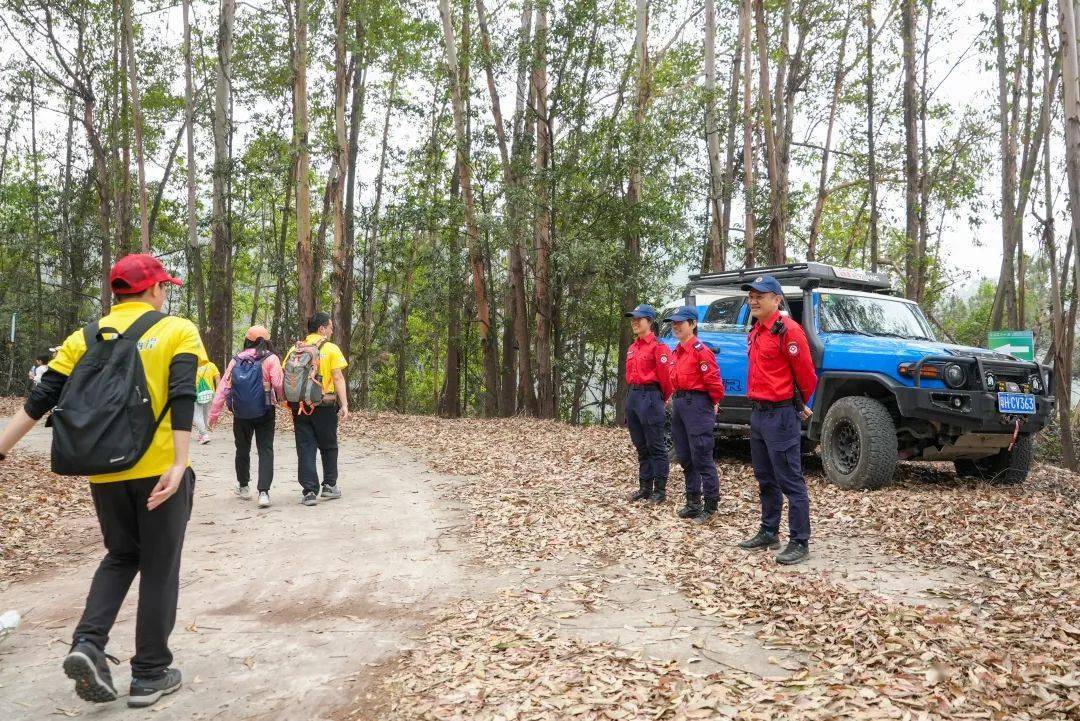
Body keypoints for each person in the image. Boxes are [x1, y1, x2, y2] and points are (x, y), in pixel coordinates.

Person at [0, 253, 205, 708]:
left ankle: (88, 644)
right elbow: (183, 394)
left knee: (120, 555)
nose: (166, 294)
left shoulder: (83, 337)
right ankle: (150, 672)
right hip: (159, 472)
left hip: (105, 469)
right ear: (154, 290)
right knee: (159, 566)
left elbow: (40, 399)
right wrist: (180, 461)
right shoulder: (176, 330)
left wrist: (1, 449)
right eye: (164, 287)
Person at [737, 275, 818, 565]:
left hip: (781, 414)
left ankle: (799, 540)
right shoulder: (757, 330)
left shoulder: (789, 331)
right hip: (758, 414)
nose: (754, 300)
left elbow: (807, 376)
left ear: (777, 299)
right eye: (751, 296)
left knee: (790, 479)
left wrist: (795, 404)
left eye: (761, 295)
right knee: (765, 477)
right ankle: (769, 530)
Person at [209, 326, 284, 509]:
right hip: (265, 409)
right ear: (266, 341)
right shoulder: (271, 358)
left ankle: (243, 487)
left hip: (241, 412)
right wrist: (281, 399)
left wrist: (214, 414)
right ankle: (264, 492)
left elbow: (224, 388)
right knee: (265, 449)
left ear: (248, 341)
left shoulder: (237, 359)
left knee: (242, 448)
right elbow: (278, 383)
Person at [666, 305, 725, 524]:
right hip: (680, 403)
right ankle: (693, 502)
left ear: (692, 324)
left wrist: (714, 401)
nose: (676, 326)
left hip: (697, 404)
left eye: (681, 322)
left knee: (702, 455)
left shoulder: (700, 350)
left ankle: (710, 505)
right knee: (685, 455)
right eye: (674, 323)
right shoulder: (676, 351)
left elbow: (713, 382)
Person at [285, 312, 349, 506]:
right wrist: (344, 404)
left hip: (300, 407)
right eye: (330, 327)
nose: (331, 330)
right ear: (321, 328)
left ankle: (309, 492)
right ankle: (329, 485)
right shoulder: (330, 349)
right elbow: (337, 377)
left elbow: (286, 376)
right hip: (324, 404)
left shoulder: (295, 349)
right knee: (328, 445)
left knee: (305, 447)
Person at [623, 304, 673, 504]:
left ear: (650, 322)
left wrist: (660, 399)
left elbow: (666, 379)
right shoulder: (633, 347)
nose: (635, 322)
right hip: (634, 396)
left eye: (639, 319)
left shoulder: (658, 347)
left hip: (651, 396)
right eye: (633, 319)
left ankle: (659, 490)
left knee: (656, 445)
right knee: (640, 445)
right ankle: (645, 486)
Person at [193, 358, 220, 444]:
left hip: (196, 393)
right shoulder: (211, 365)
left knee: (197, 415)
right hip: (209, 393)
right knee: (205, 414)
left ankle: (204, 435)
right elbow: (217, 378)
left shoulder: (192, 366)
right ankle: (202, 434)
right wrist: (218, 392)